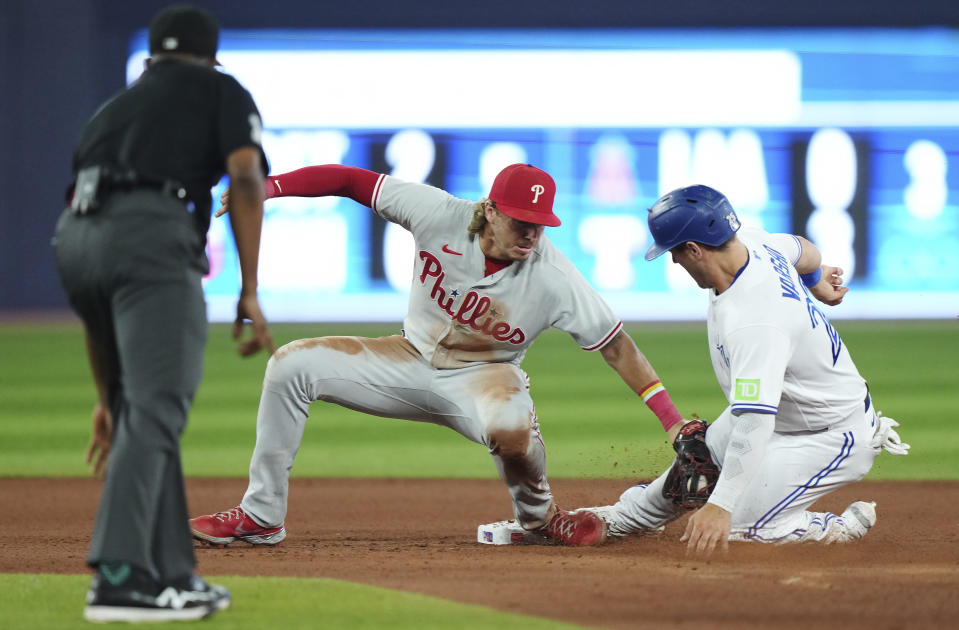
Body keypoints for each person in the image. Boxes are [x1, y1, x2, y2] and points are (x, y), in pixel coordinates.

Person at [190, 162, 688, 547]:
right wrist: (270, 187)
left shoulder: (553, 276)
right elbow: (348, 180)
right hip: (406, 357)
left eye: (541, 224)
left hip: (487, 377)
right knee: (290, 365)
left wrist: (671, 422)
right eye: (522, 221)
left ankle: (539, 520)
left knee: (511, 434)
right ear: (490, 209)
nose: (532, 234)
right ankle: (261, 516)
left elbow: (615, 345)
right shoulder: (437, 212)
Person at [52, 5, 275, 622]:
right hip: (151, 236)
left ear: (151, 57)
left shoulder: (111, 110)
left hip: (74, 238)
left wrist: (107, 398)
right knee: (160, 407)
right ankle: (120, 580)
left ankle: (172, 575)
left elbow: (96, 263)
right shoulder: (220, 88)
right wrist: (249, 288)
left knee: (140, 407)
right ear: (211, 56)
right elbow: (246, 177)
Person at [576, 184, 910, 558]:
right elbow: (803, 248)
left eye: (674, 252)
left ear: (694, 250)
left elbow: (754, 422)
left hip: (829, 436)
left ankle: (836, 528)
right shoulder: (751, 243)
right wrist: (816, 282)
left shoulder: (756, 321)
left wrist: (720, 505)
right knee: (690, 471)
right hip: (784, 414)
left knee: (735, 527)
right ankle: (618, 518)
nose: (673, 263)